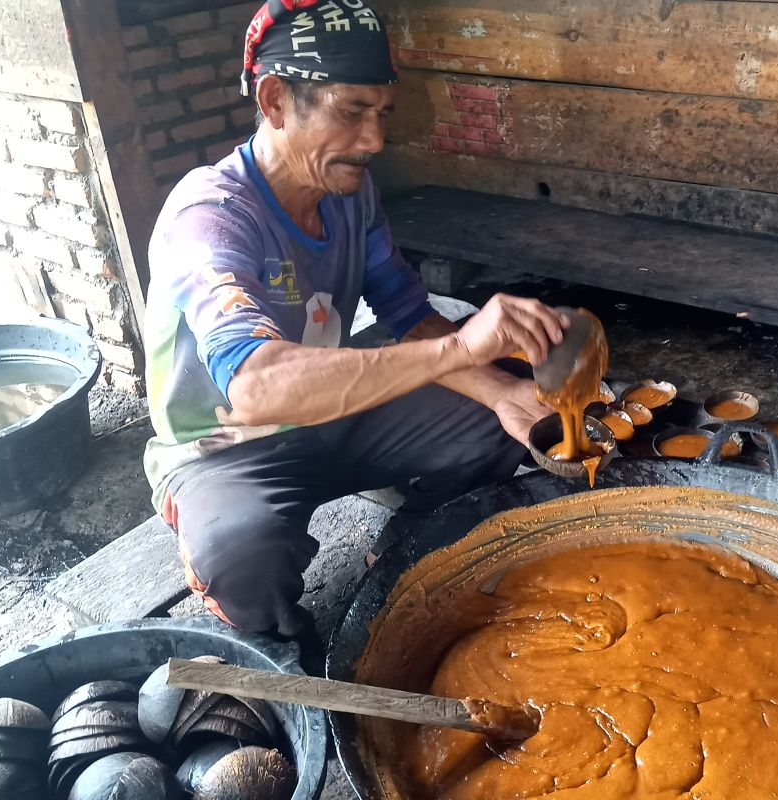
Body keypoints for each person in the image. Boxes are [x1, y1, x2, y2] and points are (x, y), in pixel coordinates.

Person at [142, 0, 565, 639]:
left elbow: (407, 313)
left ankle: (404, 546)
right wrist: (462, 349)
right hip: (225, 449)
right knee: (242, 556)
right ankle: (268, 630)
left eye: (382, 114)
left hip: (337, 415)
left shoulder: (349, 192)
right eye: (351, 112)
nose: (374, 141)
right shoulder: (209, 217)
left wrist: (504, 391)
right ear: (276, 99)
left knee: (507, 415)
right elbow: (256, 389)